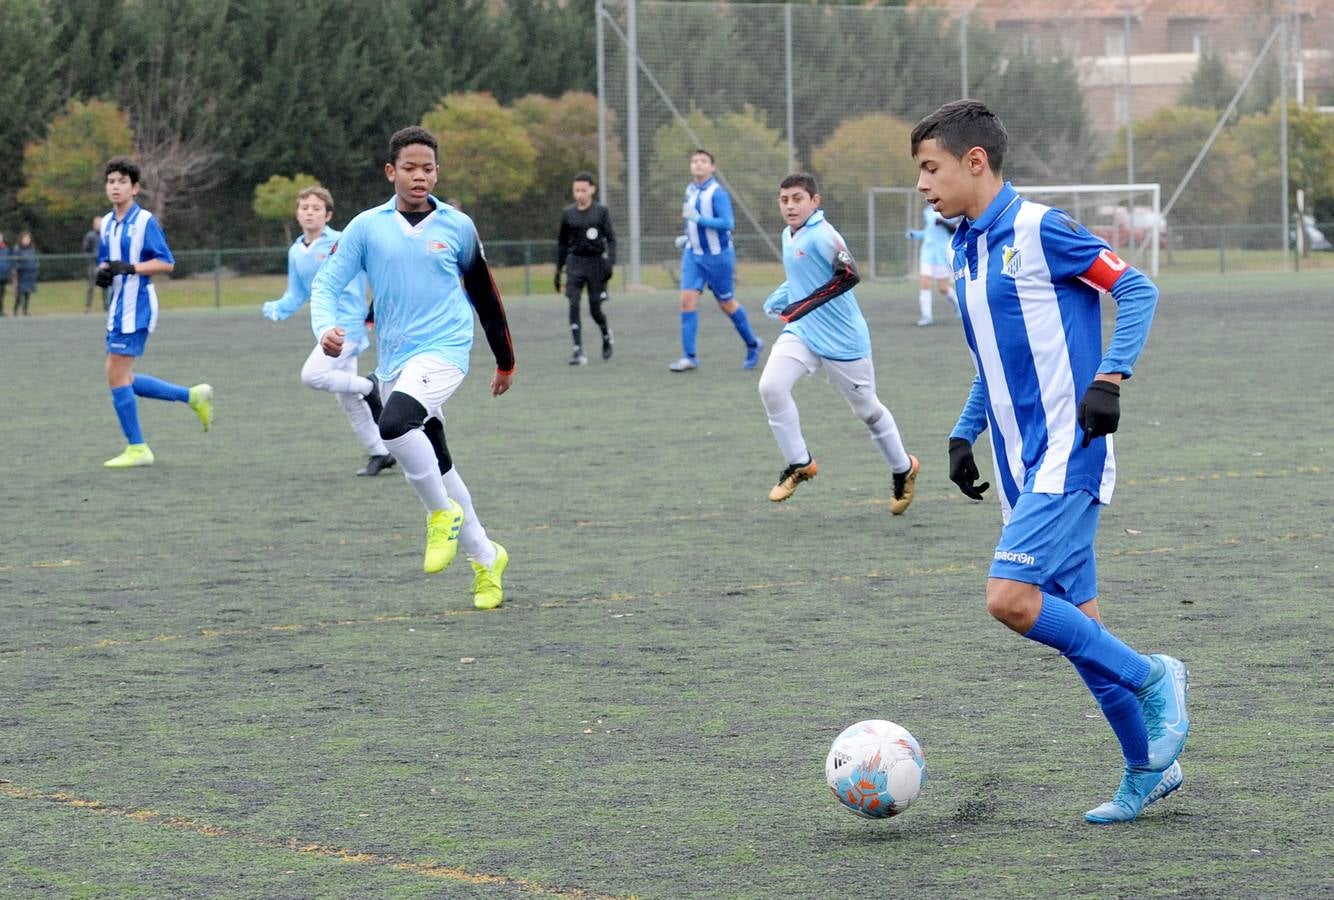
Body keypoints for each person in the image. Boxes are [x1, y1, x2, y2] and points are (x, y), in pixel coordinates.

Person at [910, 99, 1188, 824]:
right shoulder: (964, 246)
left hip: (1070, 447)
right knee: (1080, 632)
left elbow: (1136, 287)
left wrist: (1111, 377)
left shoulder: (1040, 229)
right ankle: (1146, 773)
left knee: (1011, 599)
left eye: (930, 168)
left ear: (976, 162)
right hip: (1018, 463)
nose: (922, 184)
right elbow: (994, 360)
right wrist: (963, 433)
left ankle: (1156, 678)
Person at [310, 126, 515, 610]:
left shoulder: (457, 227)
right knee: (438, 463)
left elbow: (485, 296)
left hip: (446, 350)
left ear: (437, 173)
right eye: (410, 168)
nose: (420, 176)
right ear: (391, 172)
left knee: (394, 423)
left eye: (428, 169)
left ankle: (440, 517)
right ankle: (488, 560)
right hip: (396, 359)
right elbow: (326, 284)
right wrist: (326, 328)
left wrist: (506, 360)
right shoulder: (366, 227)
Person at [759, 174, 919, 514]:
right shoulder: (789, 235)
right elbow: (803, 278)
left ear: (815, 202)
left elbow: (848, 275)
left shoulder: (823, 235)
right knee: (771, 387)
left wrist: (799, 306)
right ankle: (800, 462)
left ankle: (903, 467)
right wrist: (782, 296)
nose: (790, 205)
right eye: (784, 199)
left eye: (797, 198)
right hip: (803, 333)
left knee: (868, 411)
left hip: (843, 339)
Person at [262, 186, 394, 477]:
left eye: (316, 208)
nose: (310, 212)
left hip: (348, 327)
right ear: (297, 213)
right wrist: (278, 308)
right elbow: (297, 293)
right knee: (347, 401)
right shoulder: (296, 250)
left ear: (328, 214)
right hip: (325, 329)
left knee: (312, 375)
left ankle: (369, 386)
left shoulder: (343, 241)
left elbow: (376, 268)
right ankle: (381, 453)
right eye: (305, 207)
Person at [96, 156, 213, 468]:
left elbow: (167, 262)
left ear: (135, 188)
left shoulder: (145, 221)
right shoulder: (106, 223)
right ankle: (192, 396)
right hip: (118, 307)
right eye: (111, 181)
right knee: (120, 376)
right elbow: (106, 260)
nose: (115, 187)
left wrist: (132, 267)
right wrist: (103, 272)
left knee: (116, 374)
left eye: (122, 181)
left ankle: (138, 448)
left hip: (138, 306)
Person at [669, 148, 763, 372]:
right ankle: (689, 356)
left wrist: (700, 220)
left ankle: (753, 344)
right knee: (687, 300)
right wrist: (688, 237)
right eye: (694, 161)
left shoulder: (717, 192)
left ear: (712, 167)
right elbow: (689, 220)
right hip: (693, 255)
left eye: (703, 161)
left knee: (727, 304)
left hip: (718, 257)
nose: (698, 164)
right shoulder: (690, 190)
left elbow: (728, 223)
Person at [554, 171, 615, 365]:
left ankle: (606, 334)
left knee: (595, 309)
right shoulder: (568, 214)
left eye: (583, 190)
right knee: (573, 303)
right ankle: (578, 350)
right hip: (575, 263)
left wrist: (610, 264)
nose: (579, 194)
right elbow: (562, 243)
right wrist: (558, 269)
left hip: (595, 263)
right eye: (576, 190)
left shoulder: (601, 212)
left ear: (592, 190)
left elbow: (612, 239)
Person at [906, 206, 961, 326]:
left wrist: (943, 222)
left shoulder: (951, 208)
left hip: (941, 255)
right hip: (927, 254)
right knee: (925, 284)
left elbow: (954, 230)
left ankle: (959, 306)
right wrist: (914, 234)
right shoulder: (927, 211)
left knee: (943, 288)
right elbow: (928, 232)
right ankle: (927, 317)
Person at [84, 216, 108, 312]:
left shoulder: (106, 235)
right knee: (91, 286)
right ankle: (88, 306)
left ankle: (107, 306)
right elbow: (86, 250)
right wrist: (92, 263)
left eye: (100, 223)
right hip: (93, 265)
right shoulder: (89, 236)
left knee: (105, 286)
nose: (98, 225)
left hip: (104, 264)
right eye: (96, 223)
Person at [12, 231, 38, 316]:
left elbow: (36, 260)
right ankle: (15, 310)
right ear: (21, 239)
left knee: (28, 294)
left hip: (30, 274)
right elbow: (15, 262)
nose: (27, 240)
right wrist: (19, 268)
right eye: (25, 239)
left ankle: (25, 310)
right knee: (19, 294)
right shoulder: (17, 249)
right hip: (21, 274)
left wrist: (35, 267)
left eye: (28, 239)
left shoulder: (32, 249)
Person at [0, 231, 11, 315]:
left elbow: (9, 260)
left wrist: (8, 269)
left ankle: (1, 310)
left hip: (3, 275)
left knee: (2, 294)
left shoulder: (6, 249)